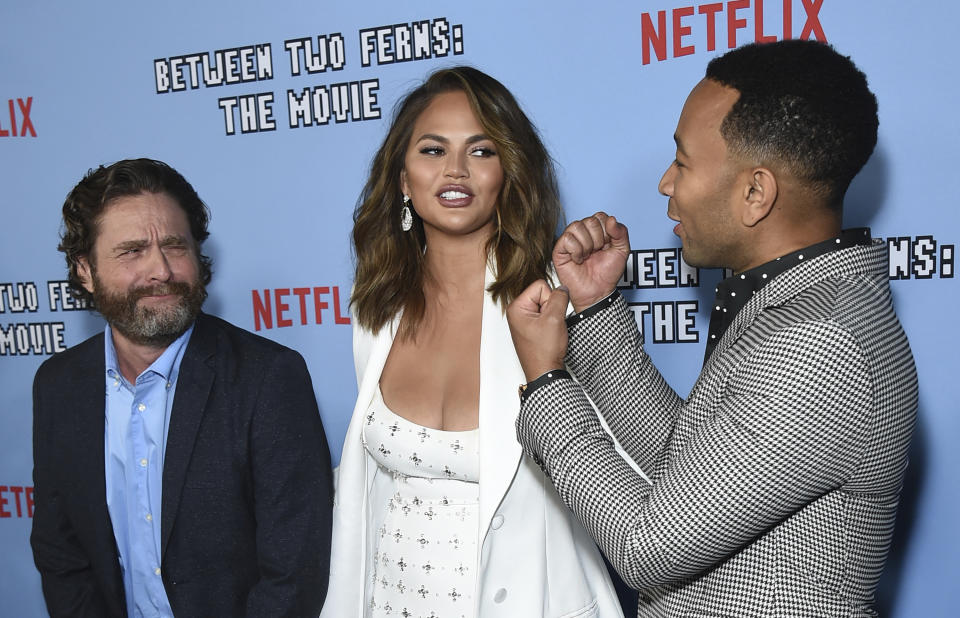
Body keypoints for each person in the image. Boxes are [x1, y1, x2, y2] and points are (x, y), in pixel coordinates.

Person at [506, 40, 918, 617]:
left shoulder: (822, 340)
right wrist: (597, 308)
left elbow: (648, 546)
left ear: (755, 193)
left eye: (683, 161)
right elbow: (687, 476)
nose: (665, 183)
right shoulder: (802, 307)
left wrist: (548, 386)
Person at [322, 67, 623, 617]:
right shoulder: (375, 310)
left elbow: (629, 475)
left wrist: (595, 314)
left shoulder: (556, 304)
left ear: (509, 173)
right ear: (402, 179)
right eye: (433, 150)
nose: (455, 170)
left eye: (481, 151)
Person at [30, 158, 334, 617]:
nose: (162, 270)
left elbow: (294, 575)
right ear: (85, 271)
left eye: (175, 246)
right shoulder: (59, 386)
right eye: (132, 251)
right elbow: (63, 554)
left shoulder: (268, 378)